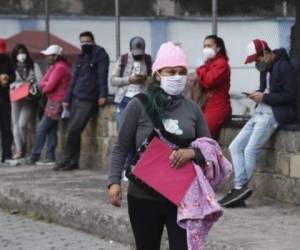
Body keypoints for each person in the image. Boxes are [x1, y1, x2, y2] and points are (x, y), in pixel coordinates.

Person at [108, 42, 210, 250]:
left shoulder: (193, 110)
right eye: (170, 71)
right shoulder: (138, 105)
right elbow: (121, 147)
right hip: (143, 196)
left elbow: (209, 148)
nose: (177, 77)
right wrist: (114, 182)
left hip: (182, 197)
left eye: (182, 72)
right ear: (157, 74)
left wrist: (191, 152)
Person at [219, 39, 297, 207]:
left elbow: (291, 95)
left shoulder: (284, 66)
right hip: (259, 112)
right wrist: (257, 94)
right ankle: (240, 189)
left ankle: (239, 188)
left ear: (266, 53)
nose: (256, 63)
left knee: (249, 150)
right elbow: (264, 89)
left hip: (272, 115)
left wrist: (264, 97)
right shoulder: (265, 68)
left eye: (258, 59)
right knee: (234, 146)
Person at [54, 31, 109, 171]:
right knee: (72, 131)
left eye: (87, 41)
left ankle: (66, 159)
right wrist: (67, 98)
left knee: (74, 129)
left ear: (93, 41)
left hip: (89, 99)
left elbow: (102, 76)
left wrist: (103, 94)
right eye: (82, 42)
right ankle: (73, 161)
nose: (85, 44)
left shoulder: (100, 55)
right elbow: (74, 79)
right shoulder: (81, 57)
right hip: (76, 98)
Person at [27, 45, 71, 166]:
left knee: (42, 128)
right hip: (52, 101)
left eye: (49, 55)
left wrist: (44, 85)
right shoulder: (55, 67)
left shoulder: (60, 68)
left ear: (56, 56)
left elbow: (48, 86)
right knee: (51, 130)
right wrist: (44, 84)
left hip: (56, 101)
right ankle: (50, 156)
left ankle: (34, 155)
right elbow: (42, 81)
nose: (47, 57)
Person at [110, 36, 152, 129]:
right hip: (125, 99)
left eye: (140, 54)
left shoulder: (148, 59)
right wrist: (129, 80)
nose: (137, 56)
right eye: (135, 54)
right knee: (122, 128)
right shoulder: (123, 59)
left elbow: (155, 81)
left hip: (143, 99)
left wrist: (145, 79)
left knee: (141, 129)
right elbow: (112, 80)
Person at [10, 44, 42, 159]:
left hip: (29, 99)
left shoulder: (34, 66)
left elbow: (40, 81)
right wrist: (15, 86)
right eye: (18, 53)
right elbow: (8, 81)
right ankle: (19, 149)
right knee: (15, 126)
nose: (21, 55)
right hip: (15, 99)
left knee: (22, 124)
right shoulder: (12, 67)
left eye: (22, 52)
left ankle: (24, 144)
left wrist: (29, 86)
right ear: (15, 55)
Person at [196, 35, 231, 139]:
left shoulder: (221, 63)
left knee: (205, 137)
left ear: (218, 48)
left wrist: (201, 69)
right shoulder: (209, 63)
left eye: (209, 46)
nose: (206, 49)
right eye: (204, 46)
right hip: (207, 104)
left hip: (217, 106)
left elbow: (208, 81)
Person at [0, 38, 16, 164]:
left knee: (6, 127)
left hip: (4, 97)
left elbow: (13, 75)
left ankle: (6, 156)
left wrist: (7, 79)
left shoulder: (7, 59)